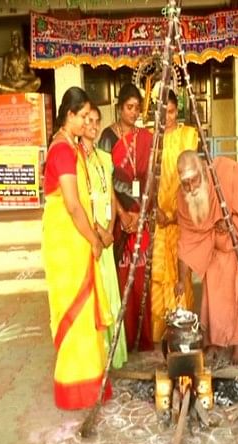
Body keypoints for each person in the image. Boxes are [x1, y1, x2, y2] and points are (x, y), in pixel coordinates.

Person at [41, 87, 113, 409]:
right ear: (69, 115)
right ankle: (75, 389)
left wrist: (97, 231)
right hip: (67, 242)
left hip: (77, 236)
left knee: (85, 316)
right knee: (77, 313)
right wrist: (95, 240)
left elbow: (85, 200)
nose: (88, 121)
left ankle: (92, 383)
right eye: (83, 116)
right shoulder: (63, 151)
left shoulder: (72, 147)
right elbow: (72, 205)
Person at [175, 151, 238, 365]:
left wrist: (232, 222)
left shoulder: (225, 173)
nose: (191, 188)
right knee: (212, 290)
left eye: (194, 180)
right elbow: (187, 238)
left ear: (203, 171)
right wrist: (180, 279)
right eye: (185, 183)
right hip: (212, 242)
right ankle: (213, 340)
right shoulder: (183, 196)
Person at [98, 83, 154, 351]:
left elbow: (150, 177)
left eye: (136, 108)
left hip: (140, 212)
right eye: (129, 108)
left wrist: (141, 211)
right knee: (122, 278)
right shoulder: (108, 137)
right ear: (119, 108)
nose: (133, 113)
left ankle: (142, 337)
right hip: (119, 217)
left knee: (141, 274)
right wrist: (121, 215)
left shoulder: (145, 137)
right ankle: (125, 337)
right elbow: (105, 181)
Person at [81, 103, 128, 368]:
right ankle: (96, 357)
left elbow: (109, 193)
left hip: (106, 233)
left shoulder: (103, 157)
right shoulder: (77, 159)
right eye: (87, 119)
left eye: (97, 120)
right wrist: (98, 232)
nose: (93, 125)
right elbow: (79, 200)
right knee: (94, 295)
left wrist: (110, 229)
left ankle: (113, 355)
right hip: (89, 234)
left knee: (110, 292)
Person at [151, 90, 198, 342]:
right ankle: (160, 334)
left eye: (170, 112)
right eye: (161, 112)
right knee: (159, 276)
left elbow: (189, 174)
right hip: (158, 221)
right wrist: (156, 211)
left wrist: (173, 213)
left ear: (176, 111)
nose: (166, 117)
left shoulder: (186, 136)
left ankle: (183, 329)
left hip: (180, 217)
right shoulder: (151, 140)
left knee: (181, 275)